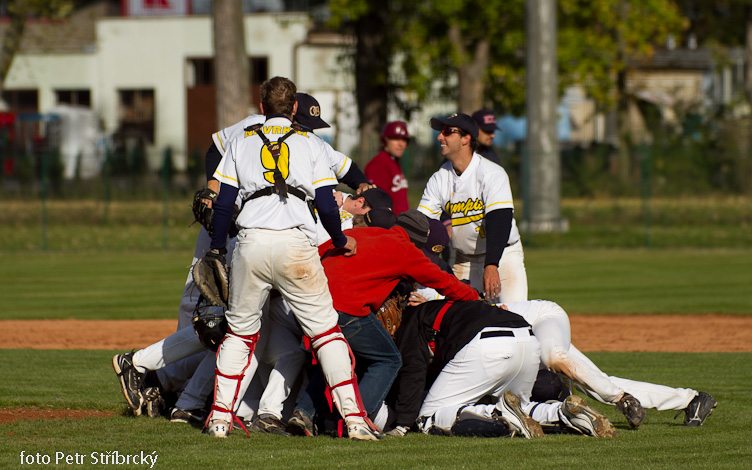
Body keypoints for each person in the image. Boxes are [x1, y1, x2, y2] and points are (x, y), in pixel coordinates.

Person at [203, 76, 379, 440]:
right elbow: (329, 203)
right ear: (295, 108)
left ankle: (220, 419)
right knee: (325, 334)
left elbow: (223, 204)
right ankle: (356, 421)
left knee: (239, 333)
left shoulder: (241, 140)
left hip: (251, 243)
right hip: (296, 245)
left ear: (262, 106)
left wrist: (218, 249)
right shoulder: (311, 142)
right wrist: (340, 238)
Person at [288, 209, 480, 436]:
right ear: (418, 241)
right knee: (387, 359)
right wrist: (475, 297)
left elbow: (319, 252)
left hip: (308, 301)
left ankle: (303, 414)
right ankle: (359, 420)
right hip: (344, 308)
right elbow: (443, 281)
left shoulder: (363, 233)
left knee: (335, 356)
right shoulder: (406, 250)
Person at [388, 299, 617, 438]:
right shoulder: (452, 303)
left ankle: (500, 415)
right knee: (525, 408)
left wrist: (402, 423)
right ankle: (563, 413)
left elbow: (413, 372)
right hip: (527, 338)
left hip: (487, 344)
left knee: (427, 417)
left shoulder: (412, 320)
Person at [417, 113, 527, 304]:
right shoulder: (439, 179)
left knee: (514, 314)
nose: (439, 137)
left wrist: (491, 264)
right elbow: (421, 224)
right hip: (462, 260)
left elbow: (499, 221)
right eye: (440, 132)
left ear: (466, 138)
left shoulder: (492, 174)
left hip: (502, 257)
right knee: (460, 322)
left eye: (447, 132)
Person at [364, 121, 410, 214]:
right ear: (385, 140)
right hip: (389, 226)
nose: (401, 144)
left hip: (399, 225)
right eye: (395, 138)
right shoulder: (379, 164)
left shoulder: (393, 161)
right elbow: (375, 204)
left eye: (404, 140)